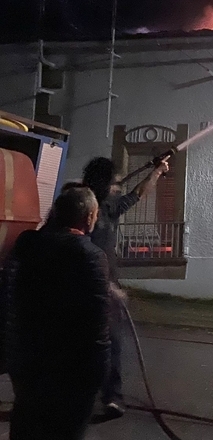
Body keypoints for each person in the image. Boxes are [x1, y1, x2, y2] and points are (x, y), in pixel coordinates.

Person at [5, 187, 110, 440]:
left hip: (28, 361)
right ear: (89, 218)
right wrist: (100, 370)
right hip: (72, 369)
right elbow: (97, 324)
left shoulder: (28, 243)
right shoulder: (91, 256)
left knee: (26, 429)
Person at [82, 156, 169, 418]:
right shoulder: (82, 208)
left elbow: (137, 194)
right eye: (114, 182)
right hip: (89, 287)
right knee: (90, 343)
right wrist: (107, 286)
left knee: (112, 342)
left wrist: (157, 173)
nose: (118, 186)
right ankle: (84, 396)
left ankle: (111, 397)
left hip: (107, 286)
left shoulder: (109, 206)